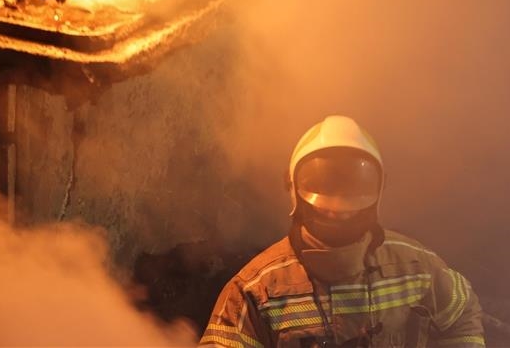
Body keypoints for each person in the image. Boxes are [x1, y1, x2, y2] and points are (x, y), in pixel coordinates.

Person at [200, 115, 485, 347]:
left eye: (350, 194)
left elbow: (461, 312)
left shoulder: (417, 267)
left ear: (378, 189)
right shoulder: (256, 291)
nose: (337, 209)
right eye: (326, 194)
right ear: (293, 188)